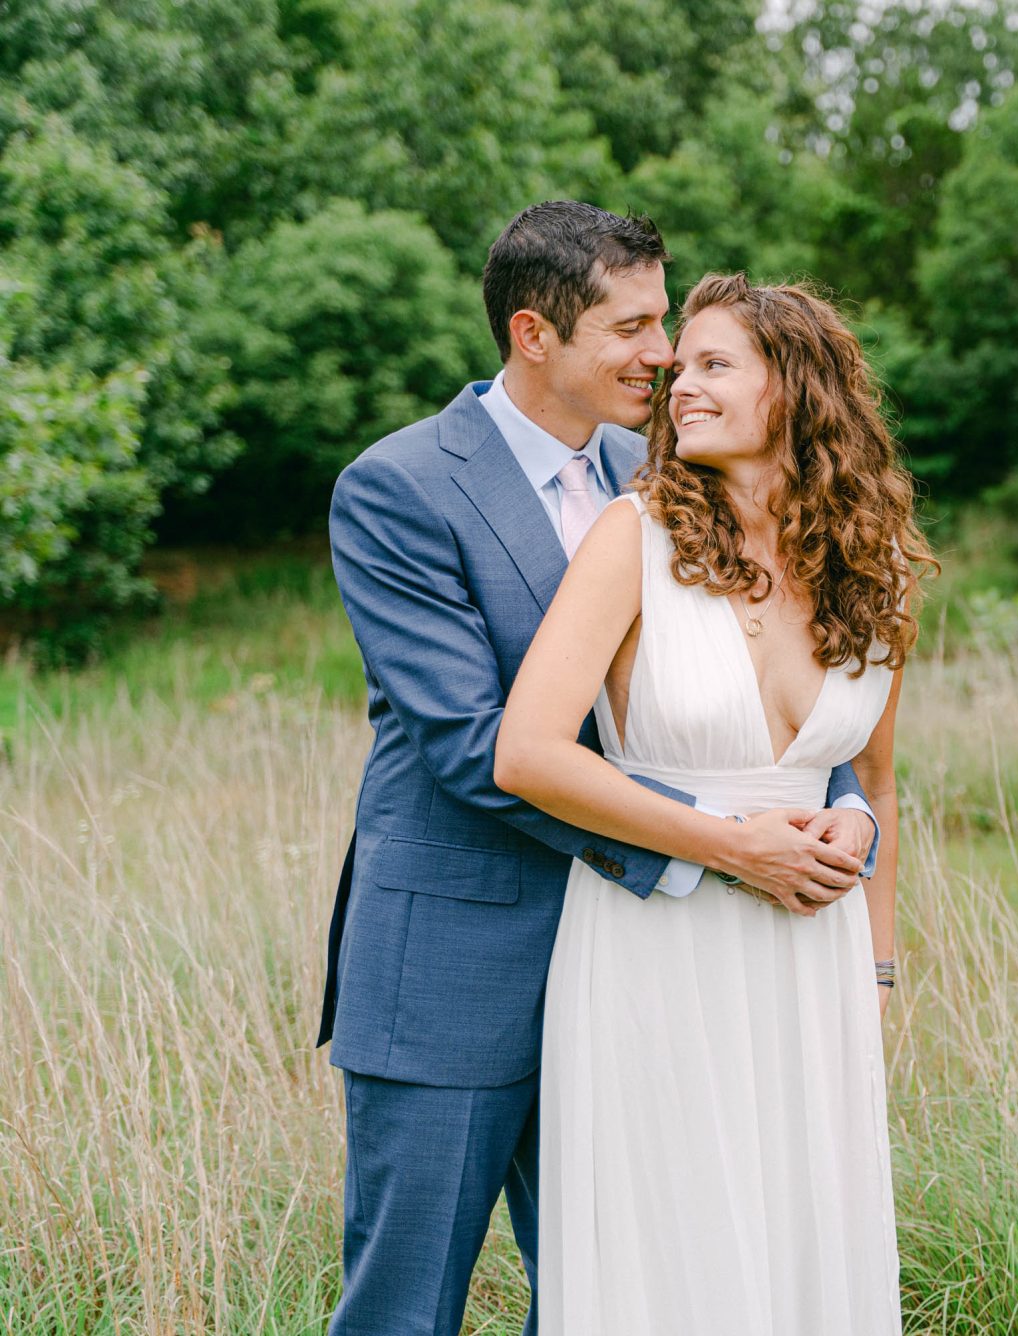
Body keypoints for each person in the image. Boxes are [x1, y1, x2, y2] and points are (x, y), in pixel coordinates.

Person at [318, 203, 881, 1336]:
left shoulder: (675, 468)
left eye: (665, 320)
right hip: (464, 965)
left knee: (619, 1296)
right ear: (535, 334)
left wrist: (839, 807)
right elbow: (477, 750)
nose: (664, 353)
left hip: (652, 984)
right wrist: (719, 849)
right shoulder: (400, 487)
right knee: (404, 1307)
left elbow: (768, 684)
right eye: (630, 328)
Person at [496, 271, 935, 1334]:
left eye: (711, 363)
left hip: (813, 965)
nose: (676, 383)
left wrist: (872, 972)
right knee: (677, 1251)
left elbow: (870, 782)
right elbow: (527, 754)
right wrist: (737, 848)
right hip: (661, 946)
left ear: (796, 387)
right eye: (677, 363)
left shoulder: (876, 566)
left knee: (804, 1244)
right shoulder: (630, 537)